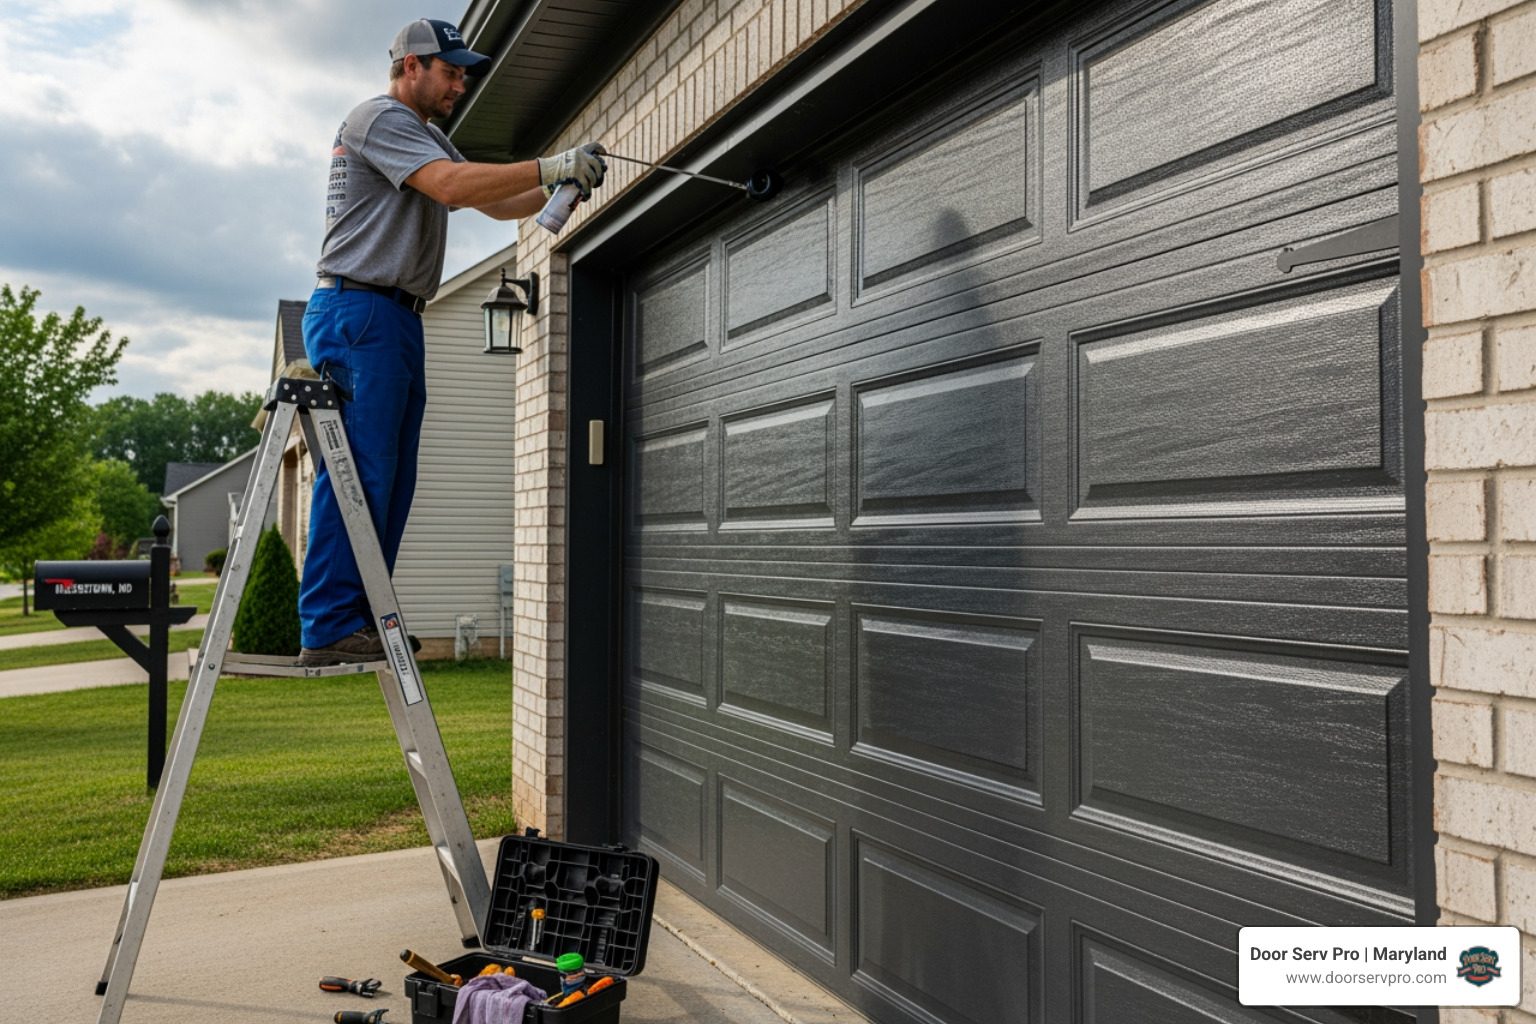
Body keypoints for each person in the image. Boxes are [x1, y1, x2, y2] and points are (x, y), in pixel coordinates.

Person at [298, 18, 606, 665]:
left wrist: (558, 185)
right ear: (412, 66)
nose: (461, 82)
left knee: (392, 479)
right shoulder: (378, 119)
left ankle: (358, 615)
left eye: (464, 71)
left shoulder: (426, 135)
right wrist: (549, 164)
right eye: (451, 70)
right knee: (359, 471)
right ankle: (327, 623)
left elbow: (491, 203)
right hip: (359, 310)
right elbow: (450, 188)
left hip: (395, 317)